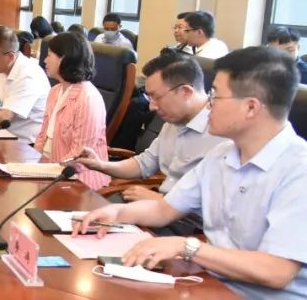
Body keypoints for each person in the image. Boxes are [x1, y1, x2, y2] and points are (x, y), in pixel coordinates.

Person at [75, 47, 307, 300]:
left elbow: (276, 271)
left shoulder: (298, 170)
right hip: (216, 290)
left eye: (216, 96)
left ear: (251, 107)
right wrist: (115, 213)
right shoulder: (222, 154)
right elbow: (165, 209)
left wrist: (188, 248)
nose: (208, 105)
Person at [71, 50, 224, 205]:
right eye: (149, 97)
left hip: (185, 217)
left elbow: (221, 206)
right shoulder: (172, 123)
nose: (152, 107)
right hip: (160, 207)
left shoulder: (222, 134)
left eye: (156, 97)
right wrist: (100, 165)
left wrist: (163, 201)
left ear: (185, 92)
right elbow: (143, 164)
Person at [32, 32, 109, 189]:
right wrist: (32, 164)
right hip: (49, 170)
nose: (45, 60)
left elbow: (79, 157)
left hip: (78, 181)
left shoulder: (87, 98)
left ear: (64, 58)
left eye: (49, 55)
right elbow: (42, 137)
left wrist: (47, 171)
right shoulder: (55, 91)